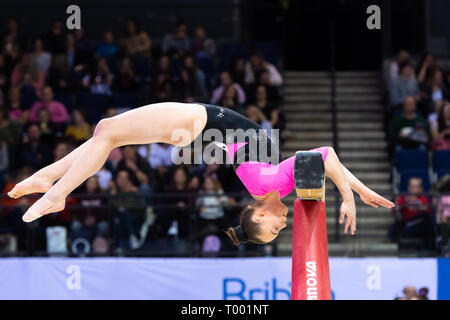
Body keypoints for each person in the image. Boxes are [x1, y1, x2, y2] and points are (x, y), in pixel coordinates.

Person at [8, 102, 394, 246]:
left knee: (107, 132)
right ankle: (51, 180)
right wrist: (356, 191)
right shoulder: (277, 183)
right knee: (106, 133)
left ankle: (57, 189)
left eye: (275, 228)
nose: (283, 224)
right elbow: (325, 158)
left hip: (200, 122)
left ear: (259, 214)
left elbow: (324, 155)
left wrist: (348, 193)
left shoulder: (272, 184)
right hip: (200, 126)